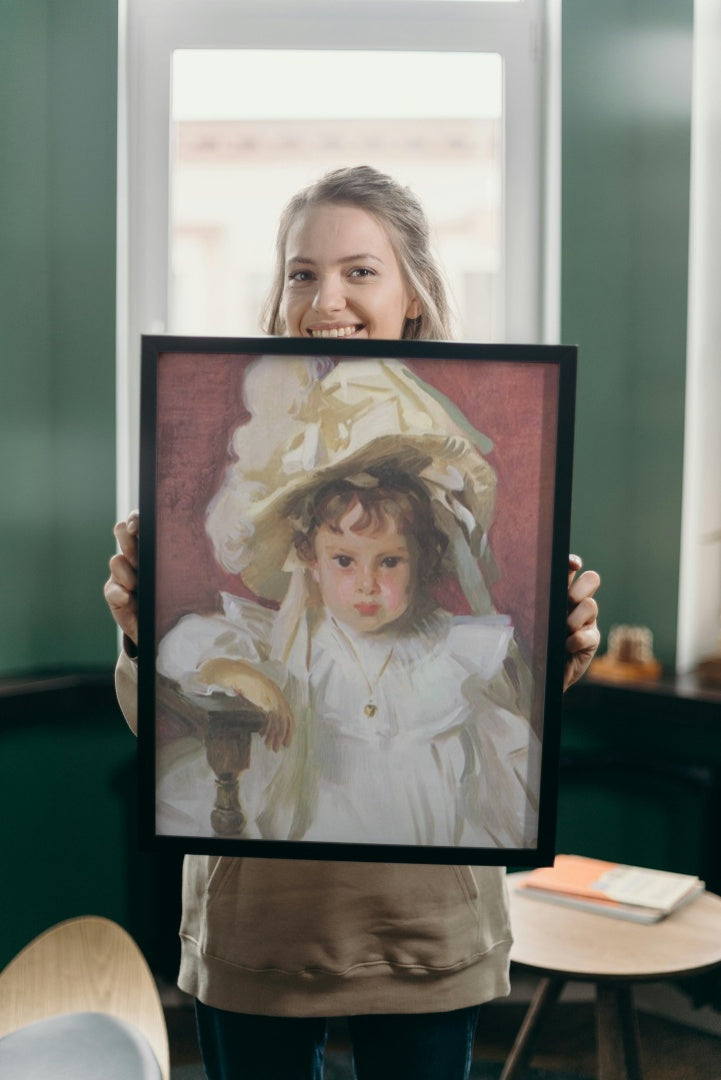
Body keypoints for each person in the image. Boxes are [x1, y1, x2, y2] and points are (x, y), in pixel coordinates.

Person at [105, 165, 601, 1080]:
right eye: (301, 272)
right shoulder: (261, 607)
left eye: (359, 271)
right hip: (262, 925)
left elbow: (511, 709)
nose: (324, 297)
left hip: (421, 927)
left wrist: (559, 651)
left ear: (412, 291)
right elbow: (170, 716)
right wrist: (139, 631)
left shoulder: (454, 574)